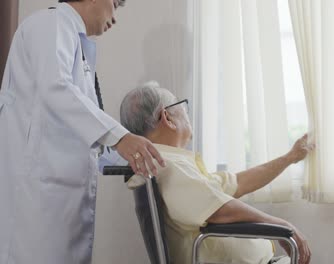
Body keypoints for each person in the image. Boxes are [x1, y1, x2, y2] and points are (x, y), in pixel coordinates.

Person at [0, 1, 165, 263]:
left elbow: (73, 125)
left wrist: (121, 156)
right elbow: (56, 89)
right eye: (115, 4)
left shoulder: (74, 43)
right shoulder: (51, 24)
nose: (115, 17)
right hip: (37, 207)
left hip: (59, 206)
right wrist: (119, 136)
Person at [120, 82, 313, 264]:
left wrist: (290, 158)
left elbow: (238, 182)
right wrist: (282, 226)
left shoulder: (173, 164)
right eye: (182, 105)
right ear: (168, 118)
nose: (187, 113)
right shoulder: (168, 166)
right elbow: (220, 212)